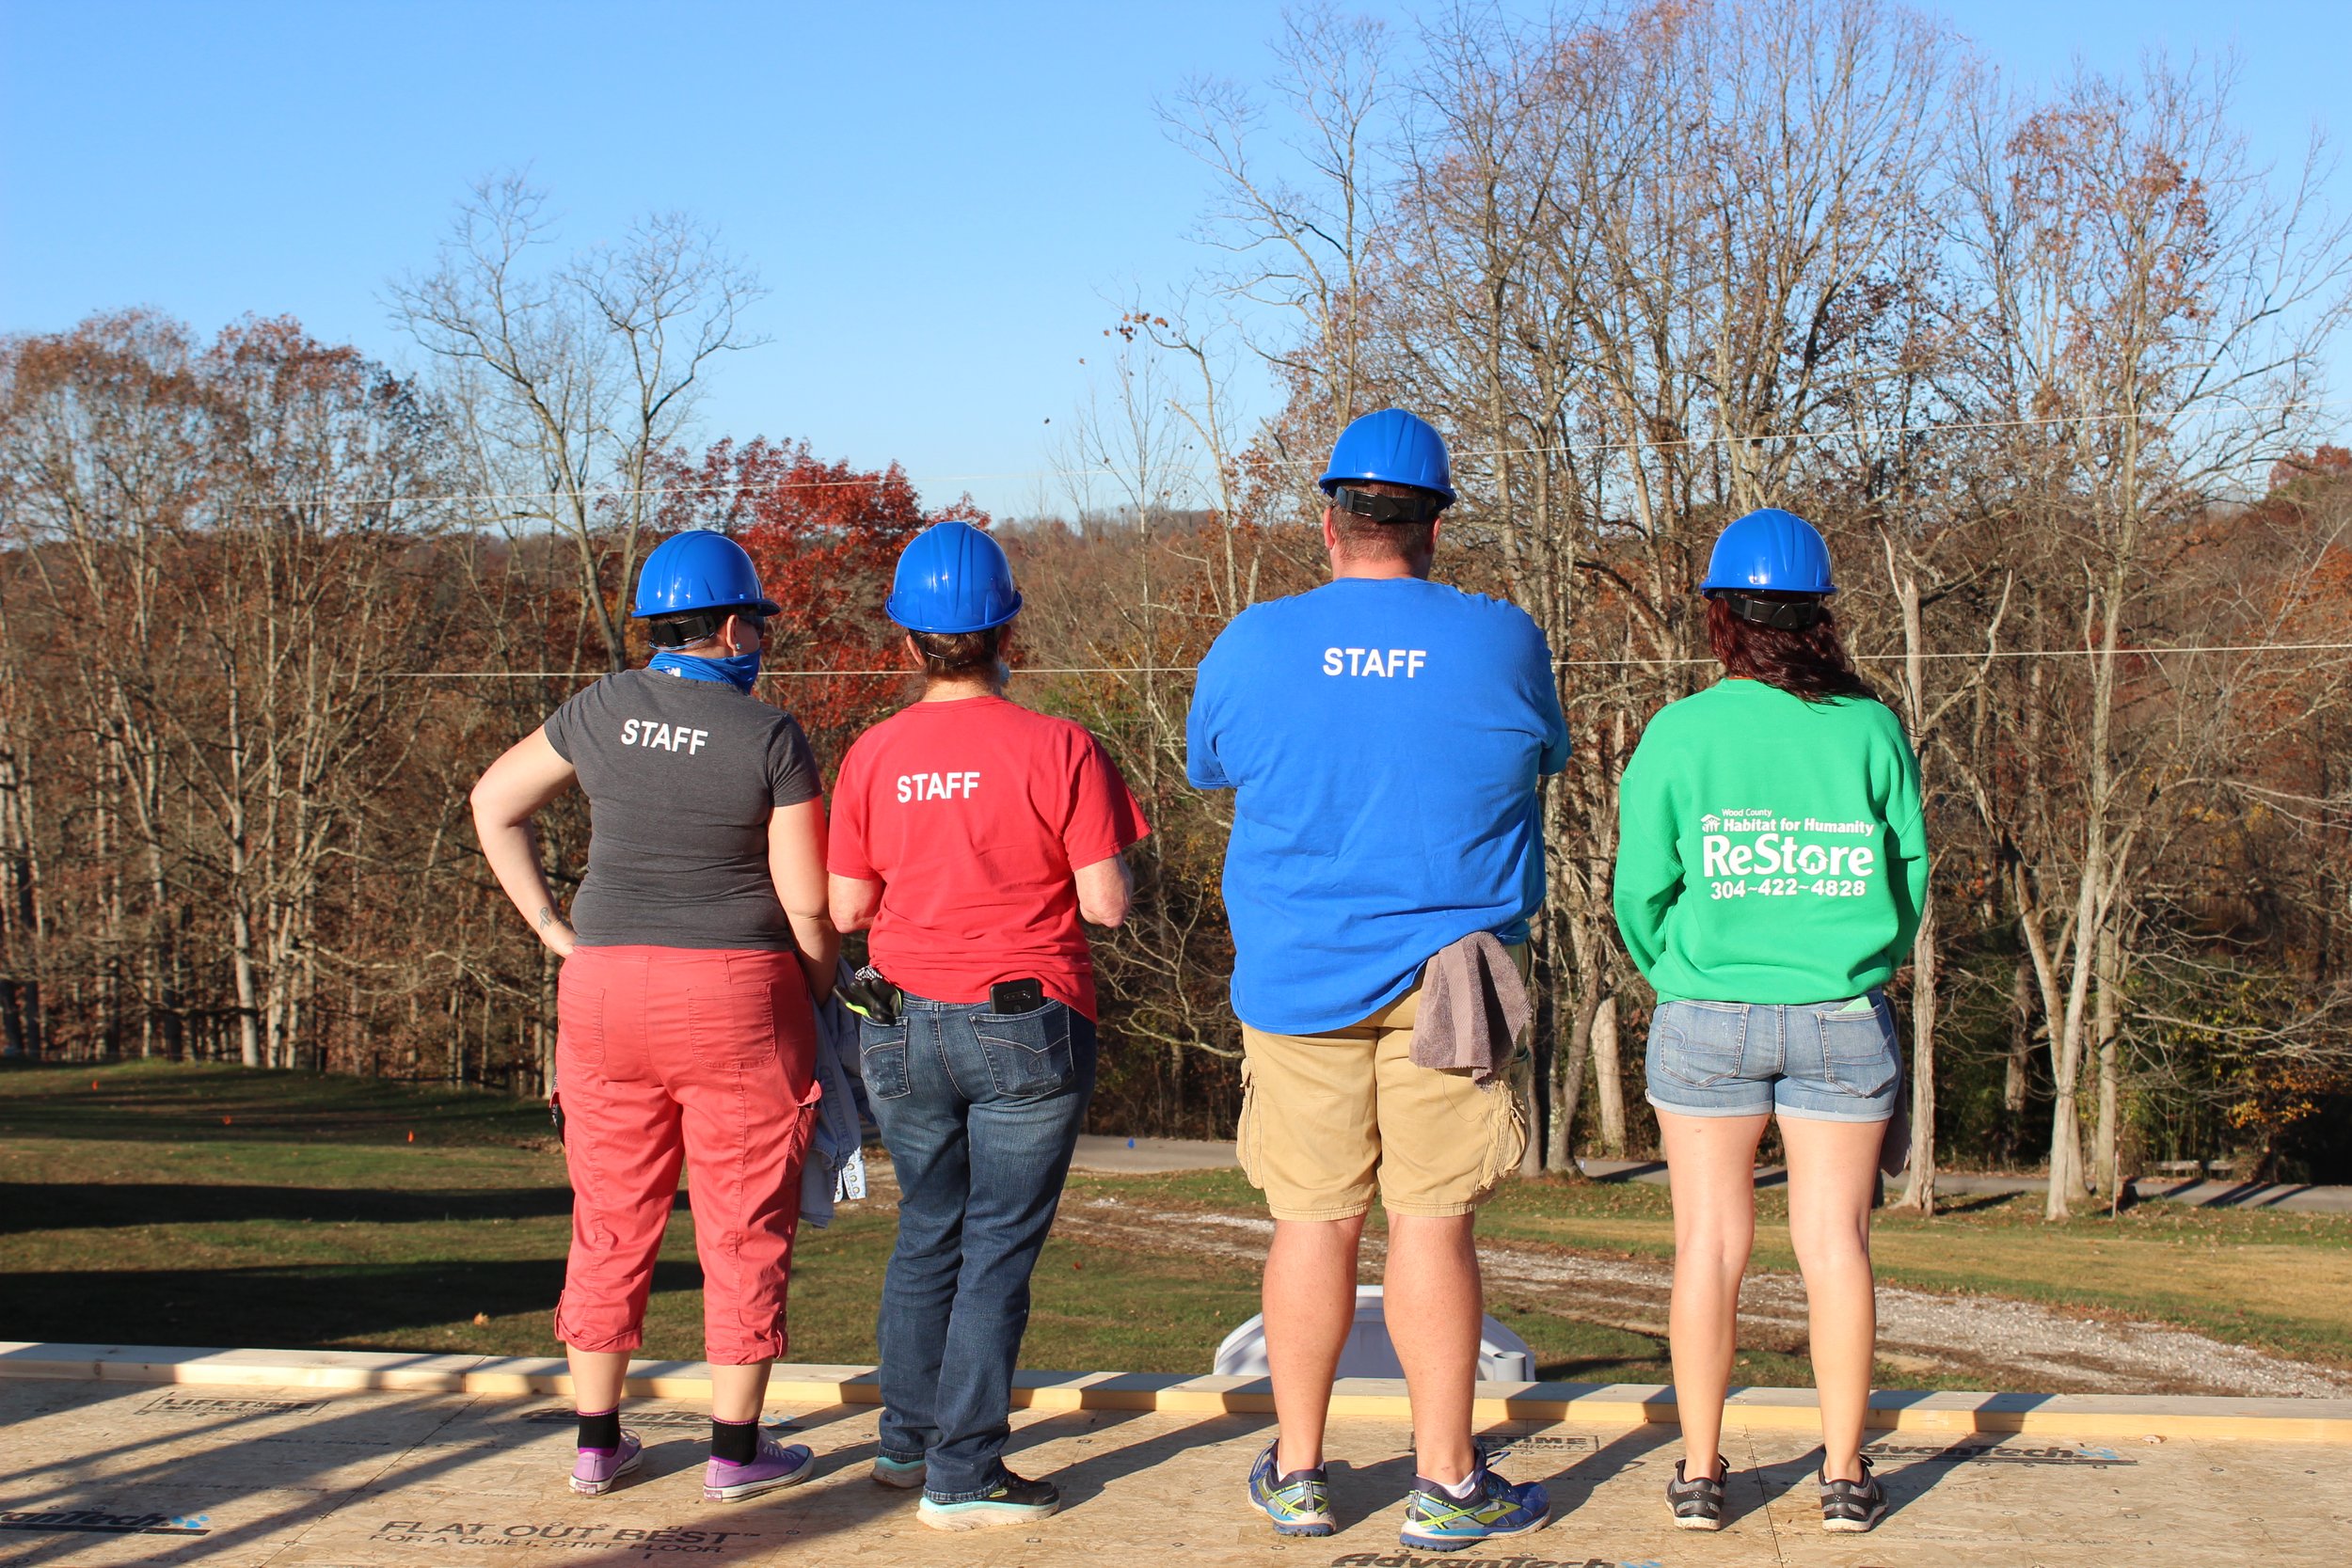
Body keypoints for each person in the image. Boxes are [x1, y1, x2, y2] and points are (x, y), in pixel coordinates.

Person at [1186, 409, 1567, 1552]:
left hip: (1298, 975)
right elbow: (1538, 751)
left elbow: (1213, 764)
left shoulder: (1252, 640)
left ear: (1329, 522)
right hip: (1451, 976)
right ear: (1434, 524)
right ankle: (1445, 1482)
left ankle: (1299, 1473)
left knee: (1310, 1222)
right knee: (1432, 1222)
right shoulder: (1500, 638)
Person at [469, 530, 840, 1504]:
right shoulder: (769, 734)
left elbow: (492, 800)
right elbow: (807, 899)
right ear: (730, 625)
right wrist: (818, 984)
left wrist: (553, 924)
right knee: (743, 1223)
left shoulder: (598, 708)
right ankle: (733, 1448)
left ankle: (597, 1442)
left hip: (600, 987)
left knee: (609, 1214)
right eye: (755, 622)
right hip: (736, 991)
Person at [827, 519, 1149, 1531]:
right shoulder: (1058, 746)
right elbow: (1106, 903)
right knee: (998, 1244)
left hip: (900, 1024)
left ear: (907, 641)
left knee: (928, 1226)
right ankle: (962, 1472)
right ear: (1010, 629)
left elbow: (843, 908)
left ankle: (905, 1441)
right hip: (1023, 1021)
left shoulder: (872, 753)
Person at [1612, 507, 1927, 1535]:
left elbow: (1638, 891)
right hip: (1842, 1013)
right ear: (1818, 617)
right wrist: (1867, 956)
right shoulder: (1872, 727)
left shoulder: (1680, 731)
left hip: (1704, 1014)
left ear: (1720, 616)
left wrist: (1682, 972)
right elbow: (1909, 874)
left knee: (1706, 1246)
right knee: (1835, 1246)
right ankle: (1843, 1474)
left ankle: (1700, 1472)